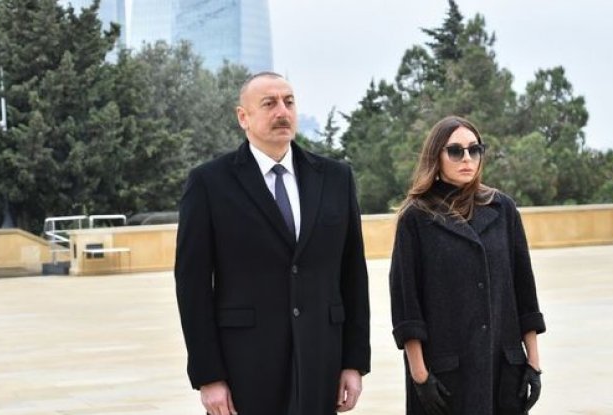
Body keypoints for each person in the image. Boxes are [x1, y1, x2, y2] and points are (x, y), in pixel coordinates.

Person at [174, 71, 371, 415]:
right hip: (245, 366)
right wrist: (209, 377)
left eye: (288, 102)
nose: (282, 111)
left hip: (320, 362)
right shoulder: (209, 183)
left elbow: (353, 274)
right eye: (269, 104)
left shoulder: (336, 178)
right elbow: (193, 287)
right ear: (243, 117)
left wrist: (353, 363)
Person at [388, 115, 546, 415]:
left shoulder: (503, 209)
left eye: (474, 150)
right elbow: (407, 304)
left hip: (503, 369)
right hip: (445, 375)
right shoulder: (416, 218)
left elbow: (524, 292)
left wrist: (533, 364)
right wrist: (420, 375)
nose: (467, 159)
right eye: (455, 151)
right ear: (436, 156)